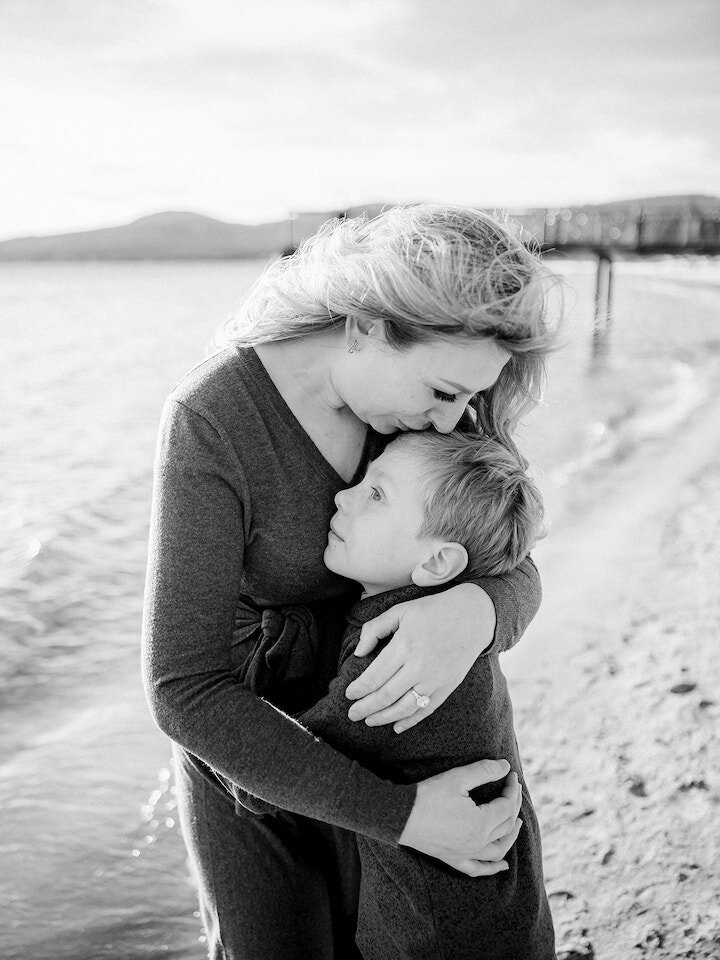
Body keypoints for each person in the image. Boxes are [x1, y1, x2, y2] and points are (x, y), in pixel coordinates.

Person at [141, 203, 559, 959]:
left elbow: (508, 547)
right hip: (266, 757)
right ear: (364, 327)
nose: (452, 422)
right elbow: (183, 688)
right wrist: (404, 817)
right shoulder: (214, 421)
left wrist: (478, 607)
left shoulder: (441, 395)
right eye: (442, 393)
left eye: (468, 398)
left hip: (410, 732)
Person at [230, 430, 554, 959]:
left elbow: (259, 789)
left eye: (375, 494)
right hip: (508, 909)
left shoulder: (392, 666)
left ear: (436, 563)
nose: (342, 496)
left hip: (432, 934)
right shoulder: (453, 634)